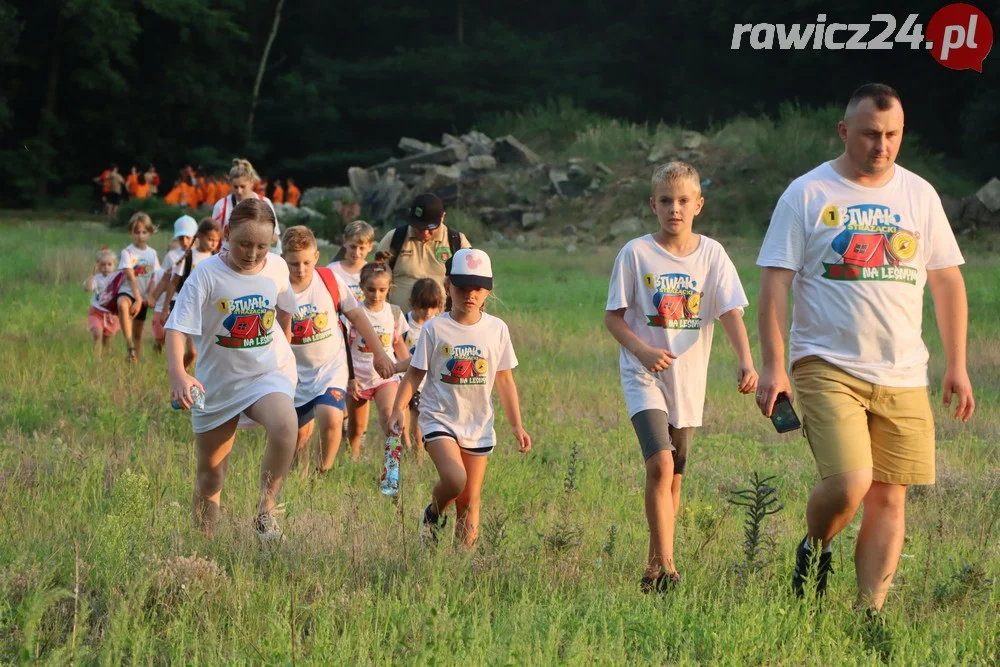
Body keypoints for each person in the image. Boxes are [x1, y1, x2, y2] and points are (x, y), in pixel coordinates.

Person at [755, 83, 975, 613]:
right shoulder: (806, 194)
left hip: (903, 371)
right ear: (844, 132)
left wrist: (958, 365)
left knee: (890, 495)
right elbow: (774, 285)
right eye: (871, 134)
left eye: (893, 134)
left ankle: (867, 612)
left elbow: (946, 282)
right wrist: (772, 365)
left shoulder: (919, 195)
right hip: (825, 363)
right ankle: (815, 545)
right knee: (852, 481)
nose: (882, 146)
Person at [604, 161, 758, 593]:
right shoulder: (635, 253)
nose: (675, 208)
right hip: (643, 374)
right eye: (666, 201)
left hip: (688, 382)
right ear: (653, 205)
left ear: (698, 205)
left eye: (684, 201)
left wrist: (746, 359)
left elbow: (729, 311)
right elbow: (613, 318)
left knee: (674, 477)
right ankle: (669, 569)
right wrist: (643, 350)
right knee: (660, 462)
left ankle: (654, 567)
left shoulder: (713, 254)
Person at [165, 198, 298, 540]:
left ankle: (265, 513)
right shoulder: (206, 275)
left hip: (265, 373)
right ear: (226, 234)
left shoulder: (278, 267)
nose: (252, 253)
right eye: (243, 243)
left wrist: (283, 341)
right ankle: (203, 542)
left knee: (285, 426)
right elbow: (176, 328)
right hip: (218, 384)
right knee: (211, 474)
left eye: (262, 246)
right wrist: (179, 374)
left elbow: (285, 307)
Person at [387, 248, 531, 547]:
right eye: (462, 287)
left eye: (477, 288)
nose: (470, 294)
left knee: (469, 500)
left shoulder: (497, 329)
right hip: (439, 417)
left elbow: (504, 379)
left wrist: (517, 425)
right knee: (454, 479)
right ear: (448, 287)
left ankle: (460, 568)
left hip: (478, 423)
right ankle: (433, 512)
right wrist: (398, 410)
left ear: (487, 291)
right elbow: (415, 374)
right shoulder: (435, 328)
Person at [281, 226, 395, 475]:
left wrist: (380, 352)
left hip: (330, 367)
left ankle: (322, 473)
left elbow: (357, 316)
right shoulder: (277, 288)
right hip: (294, 373)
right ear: (283, 261)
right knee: (299, 438)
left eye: (306, 263)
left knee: (331, 419)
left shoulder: (329, 281)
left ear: (317, 257)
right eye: (293, 264)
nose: (301, 269)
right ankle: (298, 479)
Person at [345, 253, 411, 460]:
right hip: (359, 376)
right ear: (362, 287)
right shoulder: (353, 314)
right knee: (357, 427)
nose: (376, 295)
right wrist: (349, 377)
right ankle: (354, 457)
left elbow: (397, 342)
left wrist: (411, 367)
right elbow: (344, 348)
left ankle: (392, 460)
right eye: (371, 289)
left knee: (389, 413)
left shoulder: (394, 312)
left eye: (382, 290)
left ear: (389, 288)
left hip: (386, 374)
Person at [375, 193, 471, 310]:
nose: (425, 233)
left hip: (443, 322)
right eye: (419, 227)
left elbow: (470, 282)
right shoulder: (394, 238)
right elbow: (376, 276)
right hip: (401, 321)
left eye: (430, 228)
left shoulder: (456, 241)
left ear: (442, 217)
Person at [161, 218, 222, 368]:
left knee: (200, 352)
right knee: (192, 352)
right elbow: (174, 282)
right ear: (199, 236)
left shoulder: (217, 259)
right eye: (210, 239)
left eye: (216, 240)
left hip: (206, 308)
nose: (213, 243)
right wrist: (165, 308)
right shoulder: (188, 257)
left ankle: (183, 375)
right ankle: (179, 374)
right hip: (187, 305)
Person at [402, 278, 447, 461]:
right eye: (422, 307)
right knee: (404, 414)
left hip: (426, 384)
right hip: (404, 379)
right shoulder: (405, 323)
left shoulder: (439, 326)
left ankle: (417, 454)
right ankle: (406, 446)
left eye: (432, 307)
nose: (427, 312)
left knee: (418, 423)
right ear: (413, 303)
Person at [116, 212, 160, 363]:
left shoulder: (152, 254)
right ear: (130, 232)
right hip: (129, 291)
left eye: (144, 232)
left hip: (143, 295)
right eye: (137, 232)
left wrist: (151, 295)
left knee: (138, 334)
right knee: (122, 304)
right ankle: (129, 346)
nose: (140, 236)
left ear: (149, 233)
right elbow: (130, 276)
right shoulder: (127, 252)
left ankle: (135, 360)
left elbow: (154, 277)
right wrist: (138, 299)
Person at [150, 216, 198, 353]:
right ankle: (160, 348)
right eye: (181, 238)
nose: (184, 241)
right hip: (174, 298)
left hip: (193, 300)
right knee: (167, 333)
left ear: (195, 237)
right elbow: (165, 279)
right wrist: (154, 297)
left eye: (188, 237)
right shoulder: (172, 256)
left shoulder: (199, 255)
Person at [212, 158, 282, 253]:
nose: (239, 191)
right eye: (235, 187)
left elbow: (274, 236)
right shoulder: (221, 205)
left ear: (251, 183)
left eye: (242, 186)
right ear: (230, 184)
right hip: (229, 256)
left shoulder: (265, 202)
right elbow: (213, 235)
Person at [328, 220, 375, 304]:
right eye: (353, 247)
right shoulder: (332, 270)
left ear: (370, 247)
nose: (357, 252)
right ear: (345, 242)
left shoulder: (372, 271)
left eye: (362, 248)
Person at [84, 248, 120, 355]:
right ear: (98, 266)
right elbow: (87, 288)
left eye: (109, 264)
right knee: (97, 334)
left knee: (107, 340)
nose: (106, 268)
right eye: (103, 265)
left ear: (114, 265)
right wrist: (93, 274)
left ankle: (106, 360)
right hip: (97, 312)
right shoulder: (96, 278)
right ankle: (96, 358)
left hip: (111, 314)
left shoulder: (117, 277)